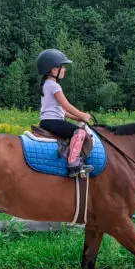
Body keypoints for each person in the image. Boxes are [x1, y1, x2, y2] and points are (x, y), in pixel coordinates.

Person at [36, 48, 94, 177]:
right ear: (53, 70)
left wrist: (76, 118)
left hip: (47, 121)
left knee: (76, 128)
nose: (65, 70)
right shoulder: (54, 86)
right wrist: (83, 115)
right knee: (80, 132)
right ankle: (73, 164)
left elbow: (61, 111)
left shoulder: (46, 84)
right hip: (52, 122)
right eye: (62, 67)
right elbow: (66, 105)